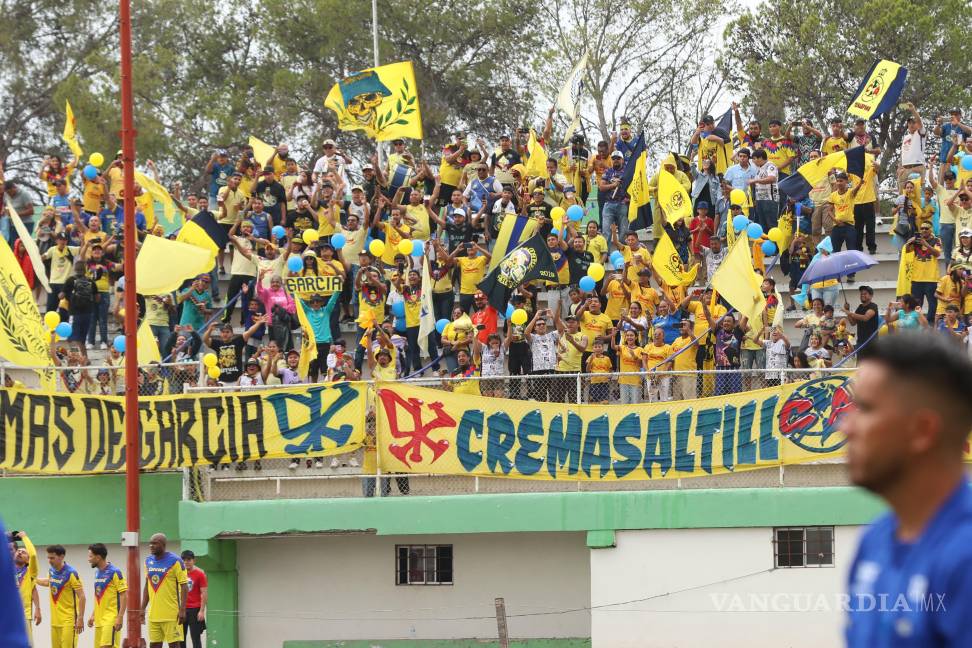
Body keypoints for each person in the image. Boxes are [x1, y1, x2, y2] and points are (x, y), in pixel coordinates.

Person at [844, 333, 972, 647]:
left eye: (866, 409)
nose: (845, 427)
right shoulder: (873, 540)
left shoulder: (965, 558)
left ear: (922, 430)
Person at [141, 533, 188, 648]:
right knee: (154, 645)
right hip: (154, 615)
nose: (151, 546)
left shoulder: (176, 561)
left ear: (163, 544)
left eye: (155, 543)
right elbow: (147, 586)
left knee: (174, 645)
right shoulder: (148, 561)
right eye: (150, 543)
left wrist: (182, 609)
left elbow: (184, 586)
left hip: (171, 614)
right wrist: (142, 608)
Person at [36, 544, 85, 648]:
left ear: (62, 556)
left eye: (52, 558)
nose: (49, 560)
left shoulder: (71, 573)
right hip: (55, 621)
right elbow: (48, 582)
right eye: (48, 558)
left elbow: (82, 597)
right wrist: (33, 579)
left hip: (69, 621)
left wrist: (80, 618)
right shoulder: (51, 571)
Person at [87, 543, 127, 648]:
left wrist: (120, 617)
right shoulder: (97, 573)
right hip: (99, 621)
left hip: (111, 619)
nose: (88, 559)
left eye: (90, 556)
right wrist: (93, 615)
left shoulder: (115, 572)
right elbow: (99, 596)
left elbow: (124, 595)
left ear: (98, 557)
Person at [11, 530, 41, 644]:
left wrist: (24, 537)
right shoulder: (8, 570)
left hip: (23, 615)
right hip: (8, 613)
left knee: (24, 643)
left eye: (23, 552)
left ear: (27, 560)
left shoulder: (30, 573)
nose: (19, 552)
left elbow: (33, 554)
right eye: (18, 551)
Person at [180, 550, 208, 648]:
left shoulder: (200, 574)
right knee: (180, 639)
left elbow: (204, 593)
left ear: (194, 560)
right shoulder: (178, 574)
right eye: (184, 560)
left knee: (195, 638)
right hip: (181, 609)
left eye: (189, 559)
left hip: (195, 610)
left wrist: (201, 611)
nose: (186, 562)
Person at [844, 286, 880, 355]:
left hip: (872, 342)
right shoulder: (860, 307)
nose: (862, 295)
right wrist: (848, 311)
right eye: (861, 294)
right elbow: (853, 323)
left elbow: (865, 318)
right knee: (860, 364)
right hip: (860, 342)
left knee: (871, 364)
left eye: (865, 294)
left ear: (871, 295)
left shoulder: (873, 306)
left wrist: (850, 313)